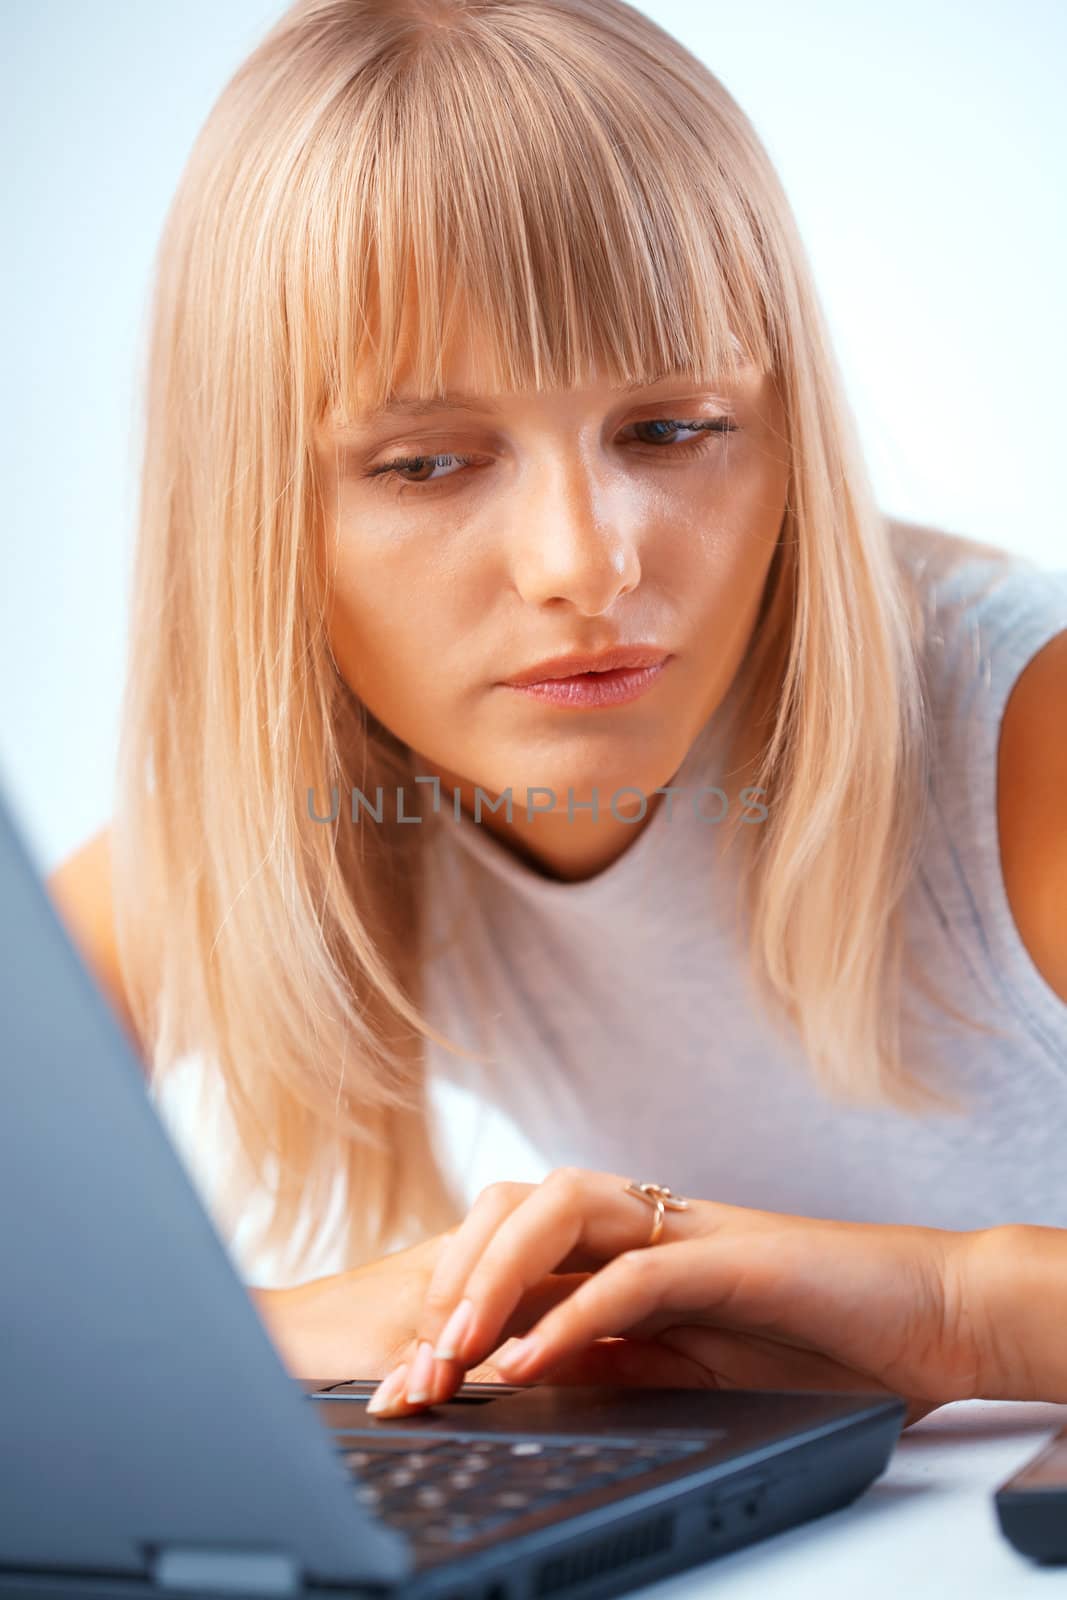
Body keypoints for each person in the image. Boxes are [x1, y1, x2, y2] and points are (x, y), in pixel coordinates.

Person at [47, 0, 1067, 1430]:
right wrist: (274, 1327)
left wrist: (956, 1313)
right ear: (260, 521)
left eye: (670, 430)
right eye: (428, 464)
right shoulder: (304, 800)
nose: (587, 562)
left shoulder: (1024, 735)